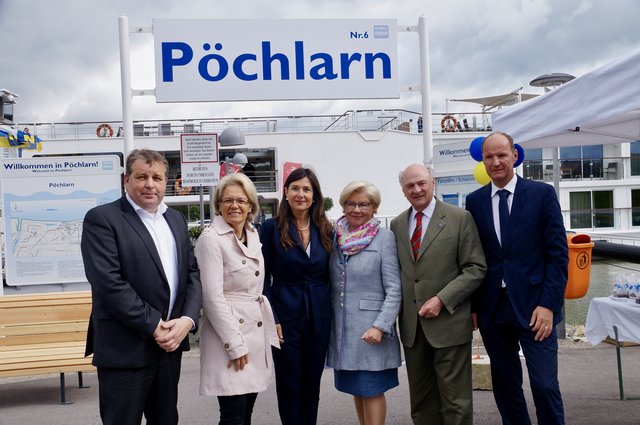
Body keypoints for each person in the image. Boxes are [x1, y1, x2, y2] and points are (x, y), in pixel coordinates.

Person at [81, 149, 202, 425]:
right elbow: (108, 283)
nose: (150, 184)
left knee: (166, 420)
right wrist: (154, 325)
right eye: (142, 176)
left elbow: (192, 273)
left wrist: (187, 320)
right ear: (126, 180)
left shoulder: (175, 219)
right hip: (125, 349)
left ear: (165, 183)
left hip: (169, 347)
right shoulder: (102, 219)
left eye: (157, 178)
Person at [465, 132, 568, 425]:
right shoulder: (474, 202)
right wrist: (473, 306)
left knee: (545, 386)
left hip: (537, 308)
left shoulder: (541, 194)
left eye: (501, 155)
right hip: (493, 310)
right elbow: (475, 258)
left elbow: (558, 256)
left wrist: (549, 305)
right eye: (489, 157)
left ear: (514, 155)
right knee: (507, 387)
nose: (496, 162)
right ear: (482, 160)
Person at [389, 164, 486, 425]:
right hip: (412, 327)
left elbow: (475, 268)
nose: (417, 189)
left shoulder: (459, 218)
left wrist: (442, 299)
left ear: (433, 183)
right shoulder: (397, 224)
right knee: (421, 403)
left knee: (456, 402)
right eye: (410, 186)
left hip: (449, 323)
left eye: (421, 183)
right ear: (403, 191)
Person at [195, 173, 279, 425]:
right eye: (227, 200)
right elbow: (212, 298)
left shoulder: (253, 234)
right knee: (233, 415)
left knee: (246, 413)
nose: (234, 206)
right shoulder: (210, 239)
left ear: (251, 205)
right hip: (229, 336)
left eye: (241, 201)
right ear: (218, 204)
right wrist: (234, 343)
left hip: (254, 331)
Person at [259, 167, 334, 425]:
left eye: (306, 189)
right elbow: (262, 279)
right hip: (285, 316)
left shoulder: (325, 228)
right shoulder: (271, 229)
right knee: (290, 384)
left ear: (315, 196)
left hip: (319, 316)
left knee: (312, 384)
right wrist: (273, 319)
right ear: (286, 193)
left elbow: (331, 276)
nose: (300, 194)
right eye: (295, 188)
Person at [328, 181, 402, 425]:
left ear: (375, 208)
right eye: (351, 203)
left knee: (371, 389)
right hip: (343, 331)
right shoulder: (335, 237)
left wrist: (380, 326)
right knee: (358, 390)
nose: (356, 209)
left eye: (363, 204)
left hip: (371, 329)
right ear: (343, 206)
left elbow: (394, 289)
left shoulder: (384, 238)